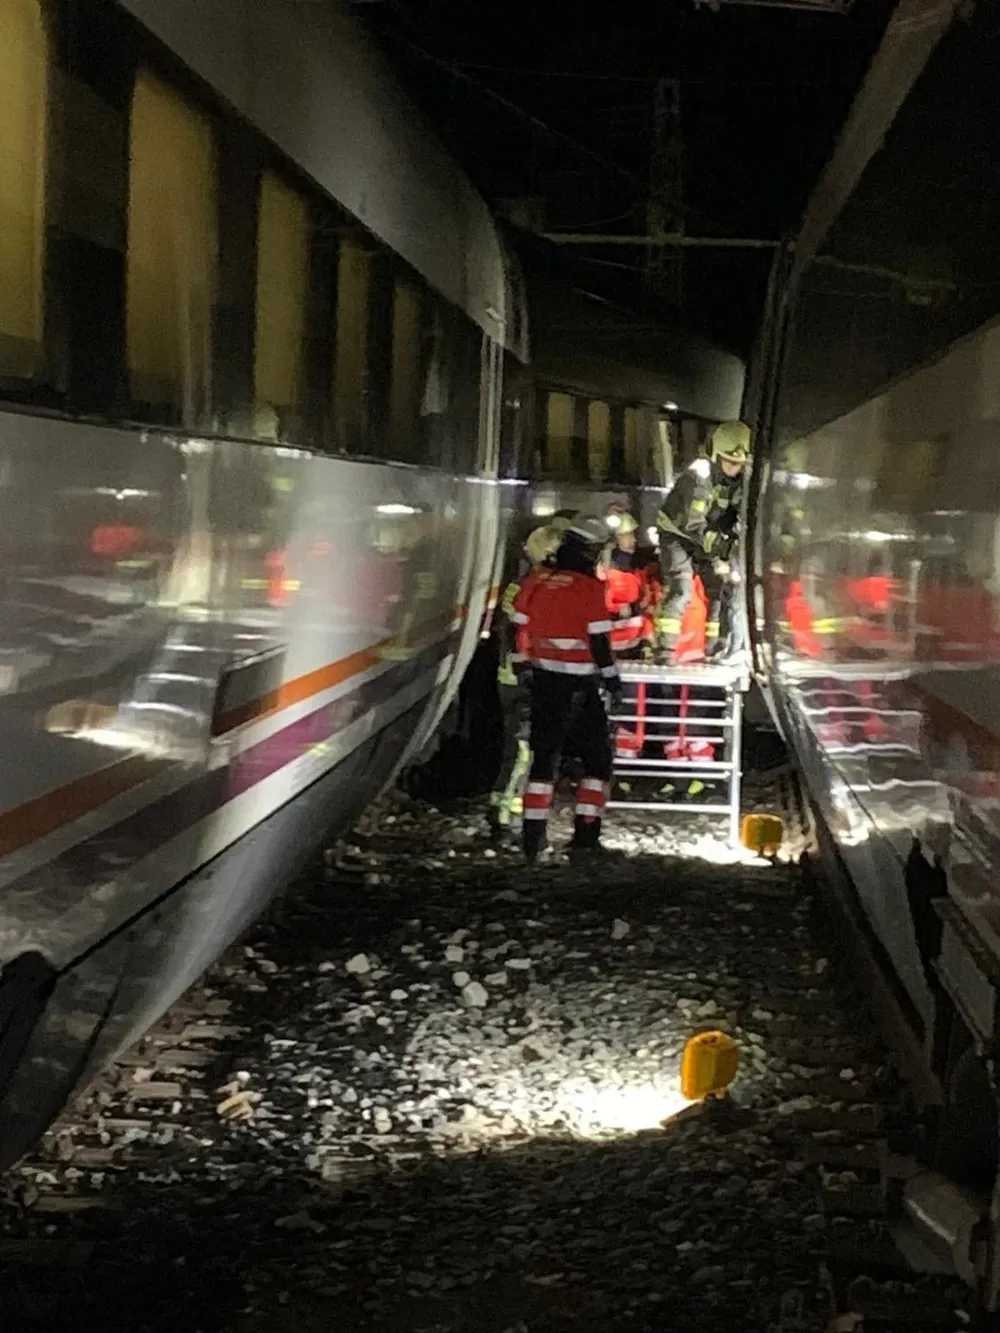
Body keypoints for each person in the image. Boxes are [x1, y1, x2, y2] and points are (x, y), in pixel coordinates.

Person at [512, 515, 624, 862]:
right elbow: (600, 643)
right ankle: (586, 838)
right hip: (579, 685)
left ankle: (533, 841)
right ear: (591, 550)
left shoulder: (538, 579)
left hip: (544, 682)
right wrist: (612, 679)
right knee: (598, 760)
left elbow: (516, 630)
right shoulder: (590, 588)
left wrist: (523, 666)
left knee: (544, 760)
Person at [487, 518, 571, 839]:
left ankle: (515, 810)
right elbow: (514, 631)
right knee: (522, 748)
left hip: (529, 676)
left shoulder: (529, 585)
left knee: (527, 749)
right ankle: (503, 813)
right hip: (523, 678)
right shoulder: (530, 586)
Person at [656, 420, 751, 660]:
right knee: (682, 588)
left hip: (706, 537)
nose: (734, 468)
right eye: (730, 462)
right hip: (677, 537)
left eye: (739, 464)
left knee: (717, 588)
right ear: (716, 456)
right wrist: (724, 549)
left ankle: (713, 647)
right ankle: (664, 650)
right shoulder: (699, 477)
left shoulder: (737, 481)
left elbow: (736, 514)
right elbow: (694, 524)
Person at [600, 512, 656, 659]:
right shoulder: (610, 566)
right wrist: (620, 607)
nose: (633, 539)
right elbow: (604, 595)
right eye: (628, 535)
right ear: (618, 537)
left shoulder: (638, 563)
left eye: (632, 535)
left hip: (635, 638)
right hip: (616, 638)